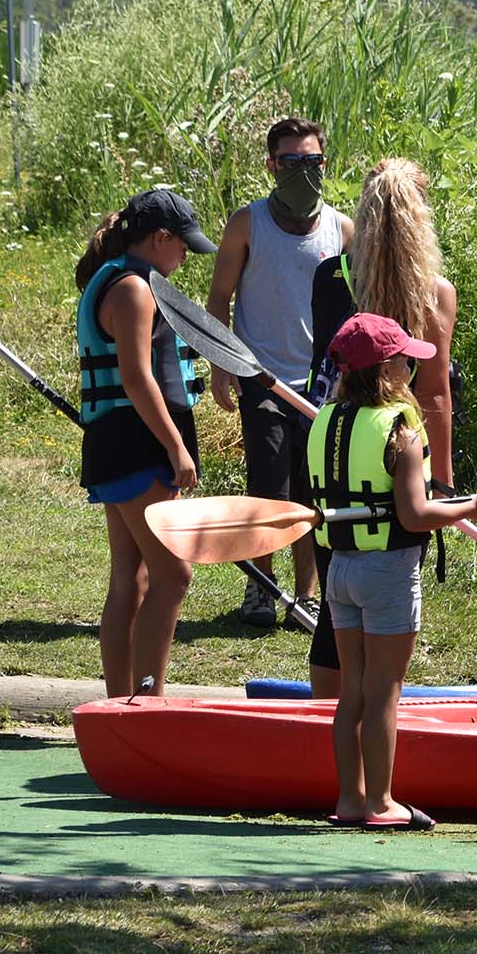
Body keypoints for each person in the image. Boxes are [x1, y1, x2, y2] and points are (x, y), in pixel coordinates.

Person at [311, 313, 477, 829]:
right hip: (387, 572)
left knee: (352, 691)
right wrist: (471, 507)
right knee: (384, 692)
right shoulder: (401, 429)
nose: (409, 371)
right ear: (385, 370)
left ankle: (350, 799)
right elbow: (414, 515)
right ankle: (381, 803)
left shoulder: (325, 420)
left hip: (340, 572)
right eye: (403, 362)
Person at [299, 157, 460, 698]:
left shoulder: (330, 277)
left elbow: (328, 369)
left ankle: (334, 725)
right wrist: (443, 483)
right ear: (422, 218)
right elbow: (435, 391)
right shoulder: (436, 292)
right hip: (400, 452)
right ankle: (378, 723)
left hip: (334, 452)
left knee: (335, 612)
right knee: (387, 607)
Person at [206, 117, 353, 629]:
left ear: (325, 164)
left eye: (312, 161)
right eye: (291, 162)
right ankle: (262, 587)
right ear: (271, 166)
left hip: (320, 385)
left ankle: (306, 596)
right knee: (269, 485)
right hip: (260, 377)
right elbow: (219, 299)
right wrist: (222, 365)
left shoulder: (342, 229)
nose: (303, 172)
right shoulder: (247, 224)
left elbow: (356, 309)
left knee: (313, 492)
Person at [74, 189, 216, 697]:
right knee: (172, 576)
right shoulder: (133, 289)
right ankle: (147, 704)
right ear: (159, 238)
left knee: (130, 581)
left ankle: (121, 705)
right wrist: (177, 447)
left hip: (119, 443)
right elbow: (136, 377)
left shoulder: (115, 277)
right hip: (137, 444)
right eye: (183, 245)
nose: (185, 256)